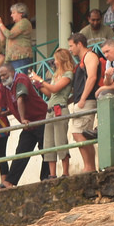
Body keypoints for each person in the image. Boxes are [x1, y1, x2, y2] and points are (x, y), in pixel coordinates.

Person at [30, 48, 75, 179]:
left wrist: (40, 80)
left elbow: (55, 89)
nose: (54, 62)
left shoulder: (68, 74)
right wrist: (38, 85)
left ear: (61, 60)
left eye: (56, 59)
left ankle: (65, 172)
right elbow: (50, 94)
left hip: (59, 109)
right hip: (50, 110)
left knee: (61, 141)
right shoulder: (57, 75)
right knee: (48, 143)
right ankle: (52, 174)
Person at [5, 58, 50, 185]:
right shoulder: (6, 87)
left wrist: (23, 118)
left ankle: (45, 177)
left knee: (44, 149)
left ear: (11, 72)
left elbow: (21, 99)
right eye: (1, 76)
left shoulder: (21, 79)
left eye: (4, 75)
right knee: (21, 151)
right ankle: (10, 181)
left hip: (40, 118)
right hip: (29, 124)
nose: (2, 78)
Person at [66, 34, 103, 173]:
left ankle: (90, 166)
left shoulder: (90, 56)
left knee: (79, 133)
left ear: (79, 44)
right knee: (78, 133)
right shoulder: (83, 59)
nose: (70, 49)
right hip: (82, 100)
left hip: (86, 100)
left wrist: (83, 98)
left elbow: (92, 77)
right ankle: (89, 165)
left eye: (71, 45)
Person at [0, 4, 36, 73]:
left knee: (19, 79)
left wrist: (1, 24)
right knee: (12, 81)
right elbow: (3, 41)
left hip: (20, 58)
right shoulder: (16, 25)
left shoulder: (24, 22)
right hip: (12, 58)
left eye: (13, 13)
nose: (11, 15)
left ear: (21, 13)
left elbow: (10, 35)